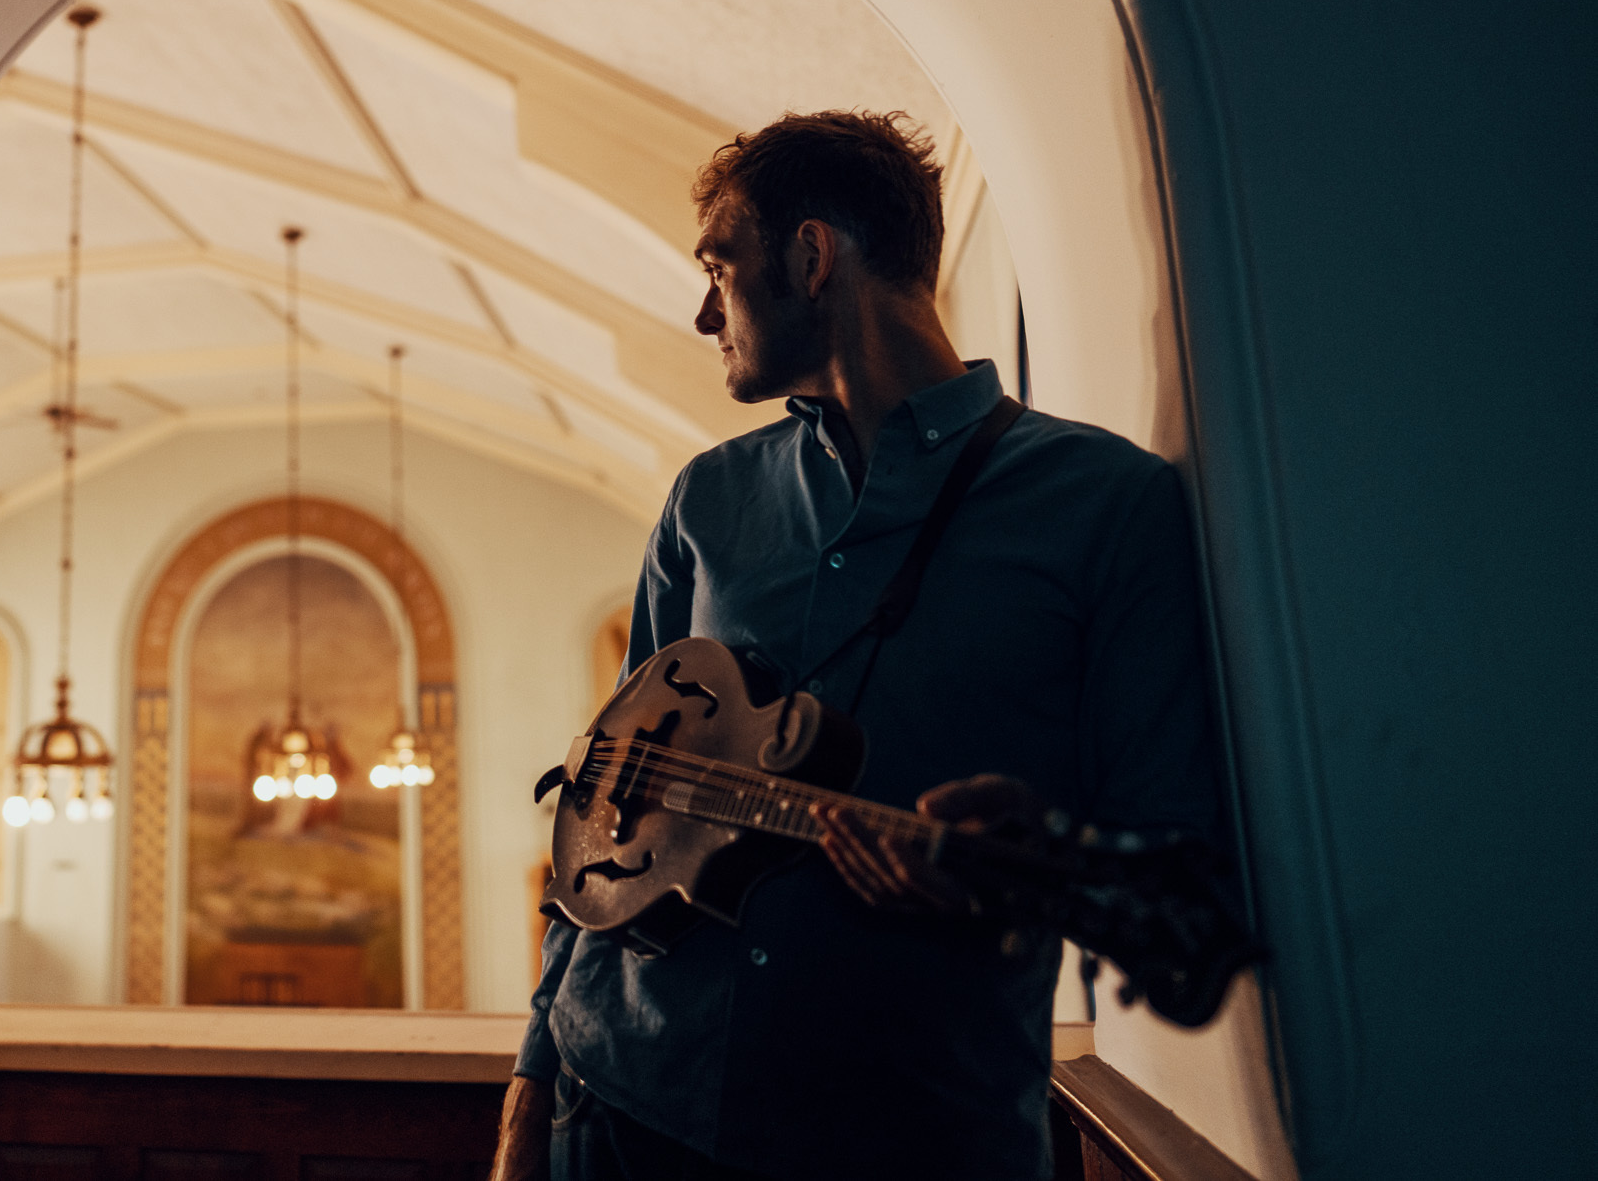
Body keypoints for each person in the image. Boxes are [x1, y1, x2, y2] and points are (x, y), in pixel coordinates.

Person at [494, 111, 1225, 1181]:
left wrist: (1032, 872)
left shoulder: (1108, 507)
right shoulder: (708, 497)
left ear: (808, 253)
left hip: (912, 1140)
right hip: (622, 1111)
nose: (704, 312)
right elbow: (597, 797)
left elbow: (1177, 868)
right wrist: (531, 1081)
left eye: (718, 265)